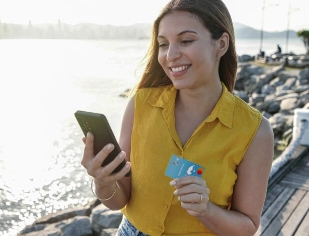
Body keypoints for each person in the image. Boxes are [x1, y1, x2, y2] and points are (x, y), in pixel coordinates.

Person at [81, 0, 274, 235]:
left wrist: (206, 210)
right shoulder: (140, 104)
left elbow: (247, 227)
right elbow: (118, 200)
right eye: (163, 44)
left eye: (186, 41)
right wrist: (103, 181)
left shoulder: (255, 131)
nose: (170, 55)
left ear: (221, 44)